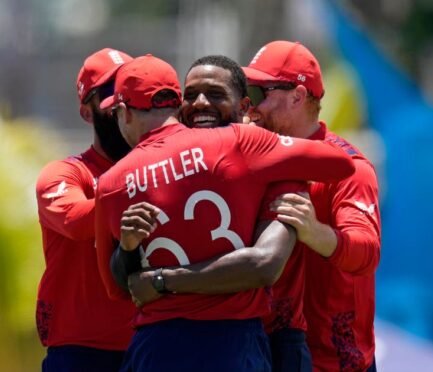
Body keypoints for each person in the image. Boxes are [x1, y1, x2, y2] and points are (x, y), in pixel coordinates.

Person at [94, 54, 356, 372]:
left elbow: (121, 288)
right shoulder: (246, 143)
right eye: (191, 96)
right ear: (177, 105)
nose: (201, 103)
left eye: (215, 94)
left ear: (123, 112)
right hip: (233, 341)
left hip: (162, 344)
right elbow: (340, 163)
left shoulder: (111, 182)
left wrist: (162, 279)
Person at [243, 40, 381, 372]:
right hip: (270, 353)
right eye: (245, 92)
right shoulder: (253, 157)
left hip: (335, 361)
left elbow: (366, 252)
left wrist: (313, 231)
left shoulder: (349, 167)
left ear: (298, 96)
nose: (250, 106)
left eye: (259, 92)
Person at [35, 48, 135, 372]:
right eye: (107, 92)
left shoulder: (164, 168)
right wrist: (150, 189)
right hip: (79, 354)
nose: (120, 101)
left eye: (129, 87)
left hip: (149, 346)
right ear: (86, 112)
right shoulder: (65, 173)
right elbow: (77, 220)